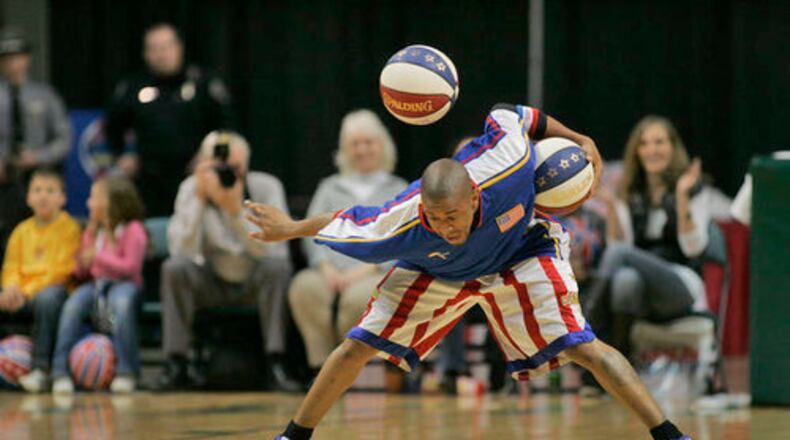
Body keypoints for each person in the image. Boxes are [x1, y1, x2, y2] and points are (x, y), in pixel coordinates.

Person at [247, 104, 692, 440]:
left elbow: (518, 114)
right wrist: (287, 229)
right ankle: (292, 436)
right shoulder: (402, 219)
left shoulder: (509, 162)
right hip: (439, 271)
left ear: (476, 199)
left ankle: (670, 435)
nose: (446, 226)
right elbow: (340, 218)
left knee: (585, 347)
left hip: (521, 251)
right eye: (435, 218)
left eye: (453, 216)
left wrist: (581, 138)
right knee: (355, 348)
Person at [158, 130, 297, 391]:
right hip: (209, 280)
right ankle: (175, 363)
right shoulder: (191, 188)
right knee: (174, 268)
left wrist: (235, 213)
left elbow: (277, 252)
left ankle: (276, 363)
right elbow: (180, 249)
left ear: (246, 164)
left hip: (255, 279)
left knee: (278, 269)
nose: (227, 174)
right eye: (220, 168)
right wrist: (200, 201)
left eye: (235, 168)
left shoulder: (267, 187)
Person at [584, 116, 715, 371]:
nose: (652, 150)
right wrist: (611, 207)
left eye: (659, 142)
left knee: (622, 259)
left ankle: (585, 329)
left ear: (673, 147)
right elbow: (618, 247)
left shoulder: (693, 188)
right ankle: (618, 369)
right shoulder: (629, 192)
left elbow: (693, 248)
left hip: (680, 286)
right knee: (625, 280)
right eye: (644, 144)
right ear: (637, 152)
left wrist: (681, 198)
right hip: (642, 287)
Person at [288, 109, 408, 379]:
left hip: (374, 272)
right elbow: (312, 233)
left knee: (359, 300)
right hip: (329, 271)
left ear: (382, 146)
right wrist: (325, 267)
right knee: (303, 288)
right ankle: (320, 369)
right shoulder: (329, 187)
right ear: (345, 149)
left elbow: (403, 240)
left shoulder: (398, 188)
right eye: (355, 144)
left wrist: (364, 271)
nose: (362, 150)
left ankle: (342, 368)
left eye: (369, 142)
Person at [105, 23, 234, 217]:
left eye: (165, 47)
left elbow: (228, 127)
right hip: (149, 178)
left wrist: (213, 156)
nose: (160, 55)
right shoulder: (132, 86)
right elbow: (112, 127)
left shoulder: (203, 83)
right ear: (145, 54)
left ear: (178, 48)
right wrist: (122, 155)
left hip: (196, 174)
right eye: (153, 49)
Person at [51, 176, 147, 394]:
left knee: (121, 305)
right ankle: (59, 371)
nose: (88, 203)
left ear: (111, 203)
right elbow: (87, 270)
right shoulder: (92, 231)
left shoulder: (133, 230)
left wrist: (98, 256)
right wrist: (80, 265)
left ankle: (126, 371)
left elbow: (130, 267)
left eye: (93, 197)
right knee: (73, 305)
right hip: (96, 285)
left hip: (126, 285)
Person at [0, 169, 81, 392]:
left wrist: (26, 292)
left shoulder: (70, 228)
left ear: (62, 198)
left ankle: (40, 369)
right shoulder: (21, 231)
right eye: (37, 190)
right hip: (20, 294)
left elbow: (62, 270)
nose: (43, 196)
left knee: (48, 298)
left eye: (50, 190)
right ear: (28, 198)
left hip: (54, 293)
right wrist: (11, 289)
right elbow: (10, 267)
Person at [0, 31, 72, 259]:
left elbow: (65, 139)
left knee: (44, 235)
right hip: (3, 181)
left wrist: (38, 157)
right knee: (7, 238)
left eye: (17, 56)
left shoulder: (45, 95)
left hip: (39, 178)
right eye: (7, 58)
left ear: (26, 59)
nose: (13, 63)